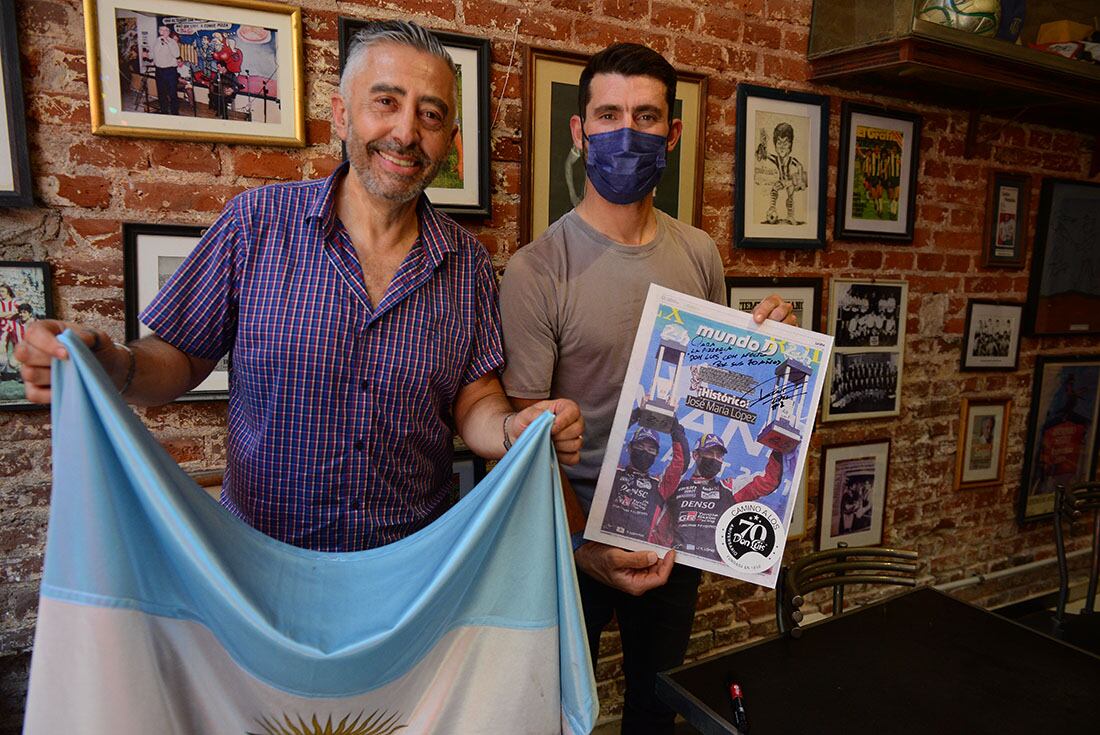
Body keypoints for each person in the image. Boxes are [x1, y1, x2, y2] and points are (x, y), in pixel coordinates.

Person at [17, 20, 583, 554]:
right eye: (385, 102)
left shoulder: (467, 264)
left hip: (411, 570)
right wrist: (110, 365)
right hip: (262, 564)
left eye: (431, 115)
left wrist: (513, 431)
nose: (406, 132)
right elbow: (179, 359)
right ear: (341, 114)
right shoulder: (255, 224)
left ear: (449, 138)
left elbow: (475, 400)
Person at [499, 42, 794, 735]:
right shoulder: (537, 269)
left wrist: (772, 351)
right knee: (545, 711)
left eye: (645, 115)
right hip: (567, 541)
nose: (626, 132)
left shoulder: (698, 253)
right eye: (607, 114)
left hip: (669, 536)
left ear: (674, 132)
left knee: (655, 708)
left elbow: (715, 398)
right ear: (579, 132)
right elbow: (519, 443)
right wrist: (584, 548)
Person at [648, 433, 785, 562]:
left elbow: (768, 482)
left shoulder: (729, 488)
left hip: (712, 563)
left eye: (718, 455)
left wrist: (778, 450)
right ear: (696, 455)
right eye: (709, 453)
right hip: (675, 559)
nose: (714, 458)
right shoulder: (676, 487)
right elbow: (659, 530)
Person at [601, 413, 687, 542]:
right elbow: (607, 442)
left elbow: (680, 463)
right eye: (640, 446)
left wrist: (676, 430)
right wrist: (634, 415)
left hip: (640, 548)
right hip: (604, 541)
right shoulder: (613, 472)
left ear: (656, 454)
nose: (645, 451)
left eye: (651, 449)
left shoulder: (660, 485)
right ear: (630, 448)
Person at [151, 25, 180, 115]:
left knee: (172, 93)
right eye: (162, 30)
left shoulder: (172, 42)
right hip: (159, 71)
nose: (164, 32)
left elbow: (176, 54)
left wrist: (168, 43)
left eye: (166, 30)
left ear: (169, 32)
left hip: (170, 71)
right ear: (159, 31)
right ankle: (164, 112)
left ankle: (175, 113)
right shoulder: (156, 41)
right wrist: (148, 56)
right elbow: (153, 54)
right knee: (161, 93)